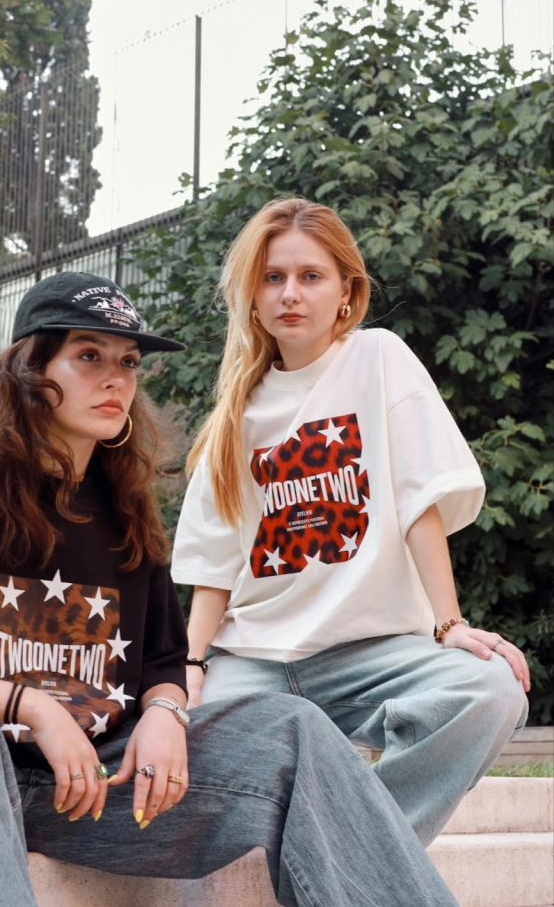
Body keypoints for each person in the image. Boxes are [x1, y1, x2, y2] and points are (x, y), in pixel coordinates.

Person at [0, 271, 504, 907]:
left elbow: (163, 661)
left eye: (127, 362)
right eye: (88, 356)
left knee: (294, 729)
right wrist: (30, 706)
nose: (115, 379)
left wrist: (163, 711)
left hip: (79, 787)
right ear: (31, 371)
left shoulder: (126, 510)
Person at [171, 197, 529, 848]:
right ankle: (346, 851)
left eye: (310, 276)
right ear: (252, 297)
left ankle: (347, 851)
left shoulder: (377, 357)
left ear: (346, 292)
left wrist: (449, 625)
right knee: (179, 741)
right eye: (272, 278)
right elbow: (215, 566)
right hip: (253, 659)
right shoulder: (234, 418)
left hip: (371, 655)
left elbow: (419, 499)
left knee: (490, 691)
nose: (290, 294)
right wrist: (190, 665)